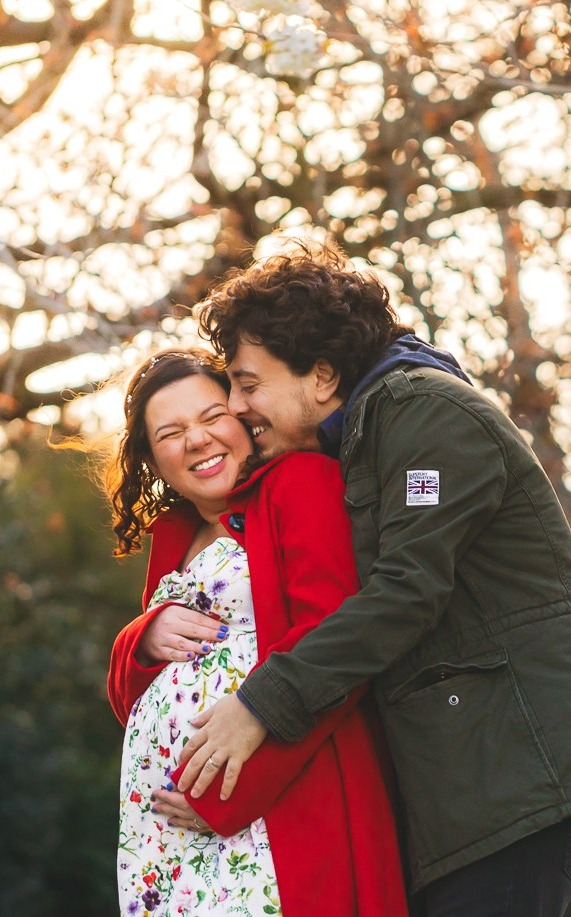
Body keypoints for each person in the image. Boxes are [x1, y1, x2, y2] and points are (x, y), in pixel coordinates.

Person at [169, 247, 571, 917]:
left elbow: (405, 592)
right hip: (472, 789)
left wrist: (261, 705)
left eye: (249, 383)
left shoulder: (425, 414)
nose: (238, 404)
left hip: (519, 775)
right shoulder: (367, 432)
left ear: (324, 374)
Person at [104, 348, 406, 917]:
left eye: (212, 416)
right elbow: (128, 702)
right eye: (172, 432)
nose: (197, 440)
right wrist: (141, 638)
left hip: (278, 813)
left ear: (244, 416)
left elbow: (338, 651)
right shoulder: (174, 535)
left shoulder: (299, 485)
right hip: (169, 840)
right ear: (151, 457)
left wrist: (232, 796)